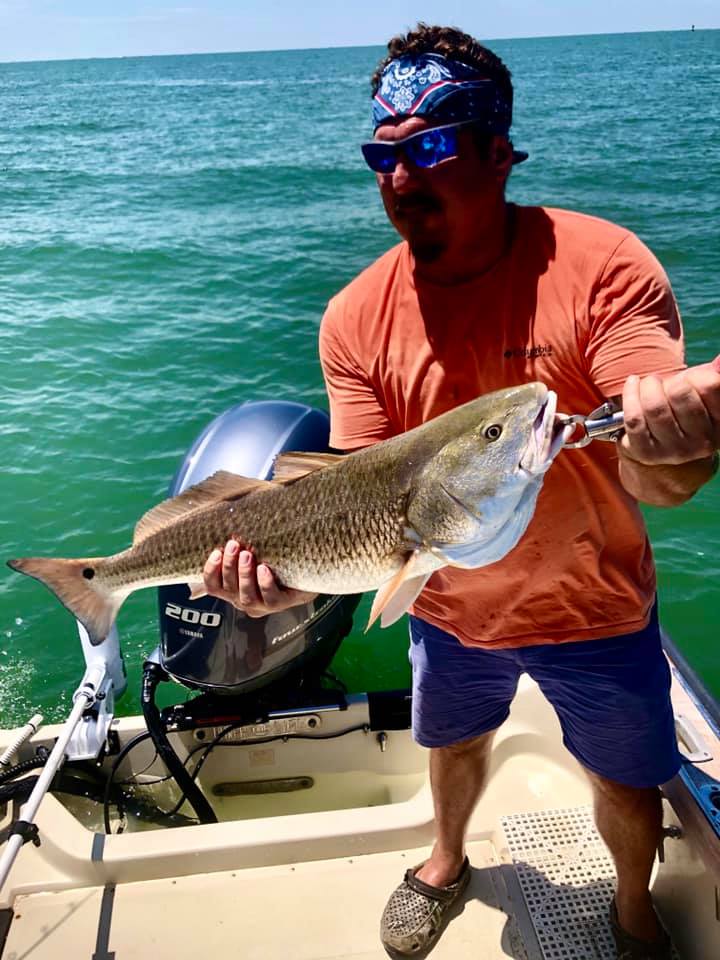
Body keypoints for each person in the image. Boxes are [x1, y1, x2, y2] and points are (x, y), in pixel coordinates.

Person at [203, 24, 720, 960]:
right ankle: (445, 859)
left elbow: (658, 472)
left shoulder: (601, 266)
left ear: (497, 149)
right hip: (443, 602)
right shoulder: (355, 316)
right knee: (451, 741)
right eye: (382, 156)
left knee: (627, 779)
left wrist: (678, 445)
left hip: (595, 606)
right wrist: (284, 581)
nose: (400, 177)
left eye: (430, 147)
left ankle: (634, 910)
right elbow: (356, 498)